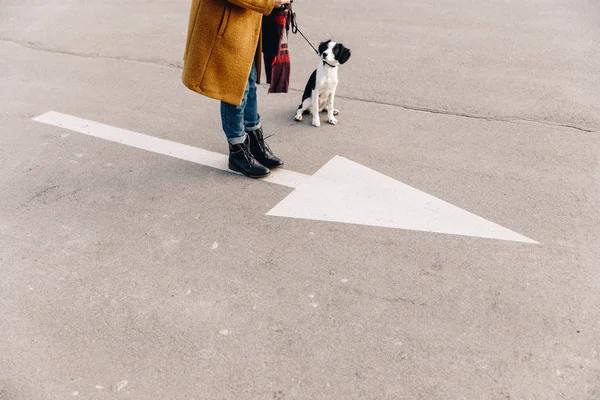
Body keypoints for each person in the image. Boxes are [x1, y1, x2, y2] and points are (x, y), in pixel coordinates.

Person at [182, 0, 291, 179]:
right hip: (226, 25)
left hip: (246, 23)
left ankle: (255, 144)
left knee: (249, 87)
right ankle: (238, 152)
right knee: (234, 90)